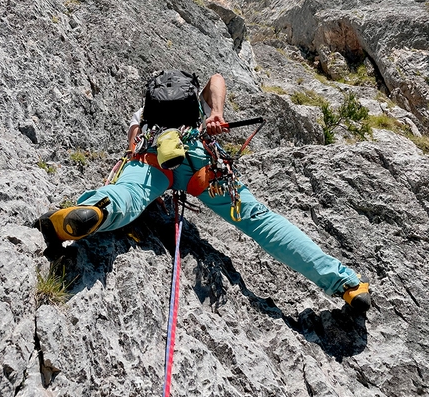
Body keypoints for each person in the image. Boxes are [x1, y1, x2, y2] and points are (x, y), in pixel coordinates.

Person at [36, 71, 370, 312]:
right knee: (259, 221)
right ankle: (345, 284)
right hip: (201, 164)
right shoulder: (193, 103)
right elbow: (217, 79)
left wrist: (144, 176)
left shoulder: (144, 115)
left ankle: (95, 212)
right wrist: (216, 114)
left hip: (153, 159)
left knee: (126, 195)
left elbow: (131, 154)